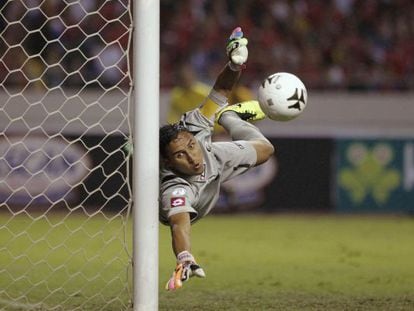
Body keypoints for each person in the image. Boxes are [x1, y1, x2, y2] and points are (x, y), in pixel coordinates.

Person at [159, 27, 274, 291]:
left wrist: (235, 64)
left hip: (216, 159)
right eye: (180, 155)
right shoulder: (175, 187)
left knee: (265, 149)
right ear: (169, 162)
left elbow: (220, 89)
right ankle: (229, 117)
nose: (192, 157)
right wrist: (184, 257)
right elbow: (179, 223)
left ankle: (229, 117)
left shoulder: (195, 129)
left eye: (190, 146)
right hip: (194, 190)